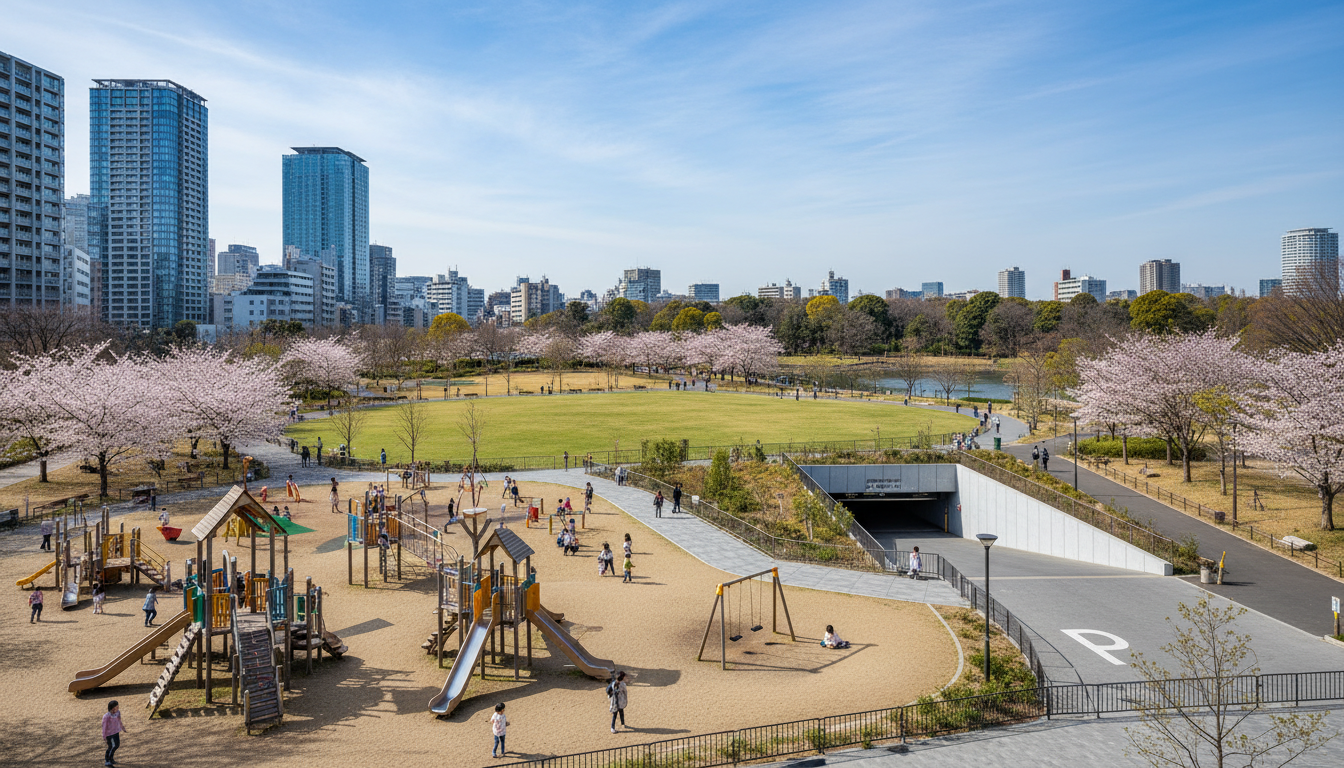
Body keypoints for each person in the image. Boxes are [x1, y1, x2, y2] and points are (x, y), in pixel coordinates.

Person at [103, 700, 128, 766]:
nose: (118, 708)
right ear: (112, 708)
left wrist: (122, 727)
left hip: (116, 732)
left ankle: (111, 758)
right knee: (110, 746)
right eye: (116, 707)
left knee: (117, 745)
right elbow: (104, 726)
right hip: (109, 734)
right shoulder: (106, 716)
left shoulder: (118, 712)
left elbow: (119, 720)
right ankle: (107, 760)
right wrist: (104, 736)